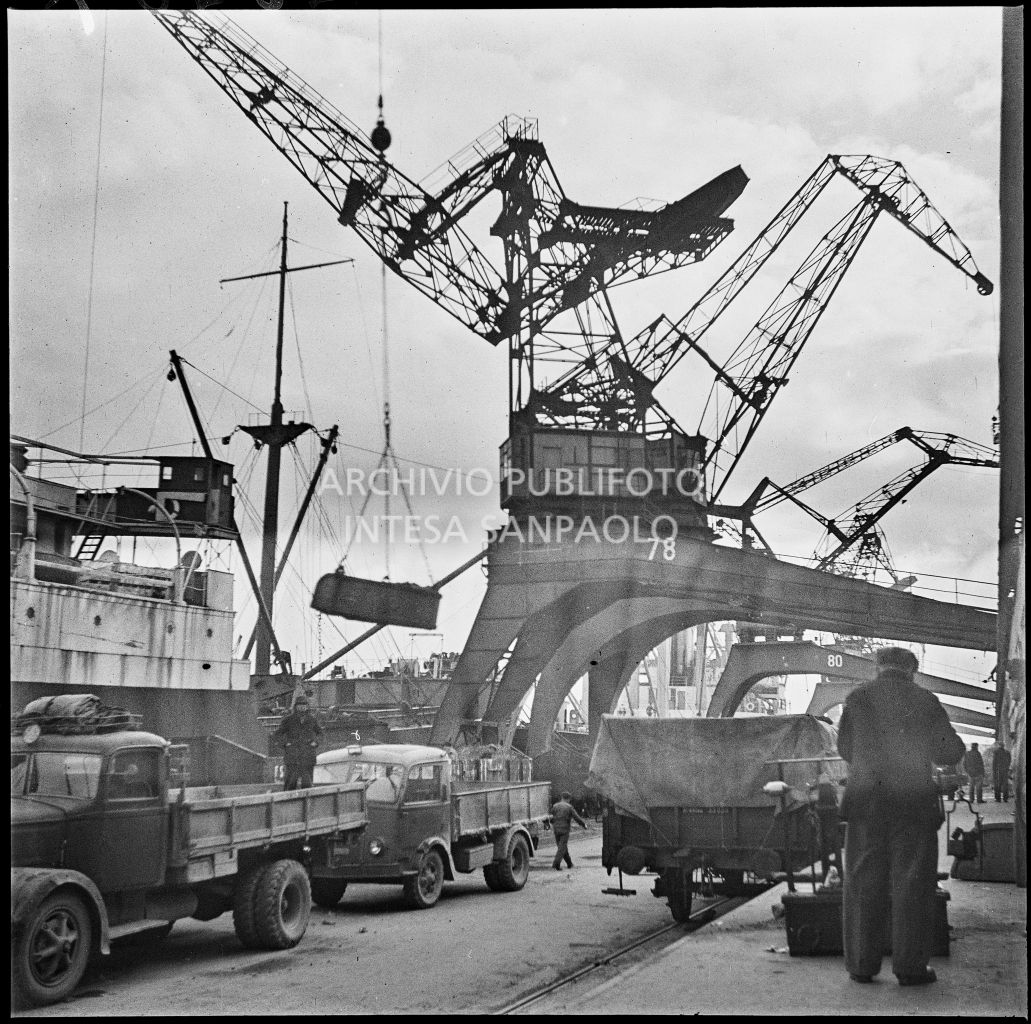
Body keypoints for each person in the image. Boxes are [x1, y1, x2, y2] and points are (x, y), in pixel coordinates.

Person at [837, 645, 965, 988]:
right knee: (912, 885)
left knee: (863, 882)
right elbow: (949, 752)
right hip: (913, 805)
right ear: (913, 670)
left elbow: (844, 750)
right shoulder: (925, 700)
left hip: (866, 803)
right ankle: (909, 969)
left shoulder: (857, 698)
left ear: (878, 667)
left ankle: (862, 966)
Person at [273, 694, 323, 790]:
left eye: (304, 705)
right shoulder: (288, 720)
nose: (302, 707)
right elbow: (277, 734)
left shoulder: (312, 720)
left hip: (308, 757)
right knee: (290, 784)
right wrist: (285, 743)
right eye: (300, 705)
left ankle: (307, 804)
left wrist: (315, 742)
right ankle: (287, 803)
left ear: (307, 706)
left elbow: (320, 733)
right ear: (295, 706)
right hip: (293, 757)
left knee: (307, 785)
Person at [550, 790, 588, 870]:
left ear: (562, 797)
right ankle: (556, 864)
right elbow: (576, 817)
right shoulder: (569, 807)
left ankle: (569, 864)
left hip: (556, 829)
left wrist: (552, 823)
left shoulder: (555, 806)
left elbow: (551, 817)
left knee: (562, 847)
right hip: (565, 829)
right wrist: (583, 824)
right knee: (562, 847)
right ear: (568, 799)